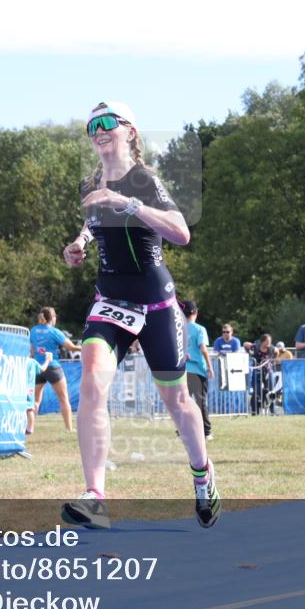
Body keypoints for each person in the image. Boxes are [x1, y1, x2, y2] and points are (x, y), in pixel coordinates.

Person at [60, 101, 219, 529]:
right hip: (111, 299)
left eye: (107, 122)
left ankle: (203, 475)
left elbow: (181, 232)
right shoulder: (89, 184)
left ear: (130, 131)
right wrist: (79, 244)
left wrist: (126, 202)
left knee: (178, 400)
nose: (98, 129)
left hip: (156, 305)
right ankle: (95, 496)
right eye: (92, 125)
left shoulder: (144, 180)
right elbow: (95, 222)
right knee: (91, 384)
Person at [30, 307, 81, 432]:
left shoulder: (33, 330)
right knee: (63, 398)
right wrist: (83, 347)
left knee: (35, 400)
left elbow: (32, 352)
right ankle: (69, 428)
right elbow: (71, 347)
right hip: (52, 367)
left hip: (38, 367)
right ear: (52, 318)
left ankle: (30, 427)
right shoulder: (54, 332)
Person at [181, 300, 214, 440]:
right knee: (201, 402)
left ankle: (183, 432)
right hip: (198, 370)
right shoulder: (200, 329)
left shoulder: (179, 328)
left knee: (184, 402)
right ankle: (206, 432)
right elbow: (203, 349)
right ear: (195, 312)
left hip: (183, 370)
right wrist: (210, 367)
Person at [249, 334, 279, 415]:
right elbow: (245, 344)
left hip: (268, 371)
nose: (269, 343)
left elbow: (277, 351)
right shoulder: (256, 347)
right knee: (256, 391)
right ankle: (254, 411)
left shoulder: (272, 348)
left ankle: (273, 411)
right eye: (267, 341)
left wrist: (273, 359)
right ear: (262, 341)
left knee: (271, 391)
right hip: (257, 371)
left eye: (270, 341)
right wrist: (250, 348)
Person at [26, 351, 54, 435]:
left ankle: (27, 428)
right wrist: (47, 360)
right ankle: (30, 428)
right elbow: (42, 369)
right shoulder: (32, 361)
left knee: (25, 409)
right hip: (29, 389)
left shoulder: (18, 361)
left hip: (19, 389)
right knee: (29, 409)